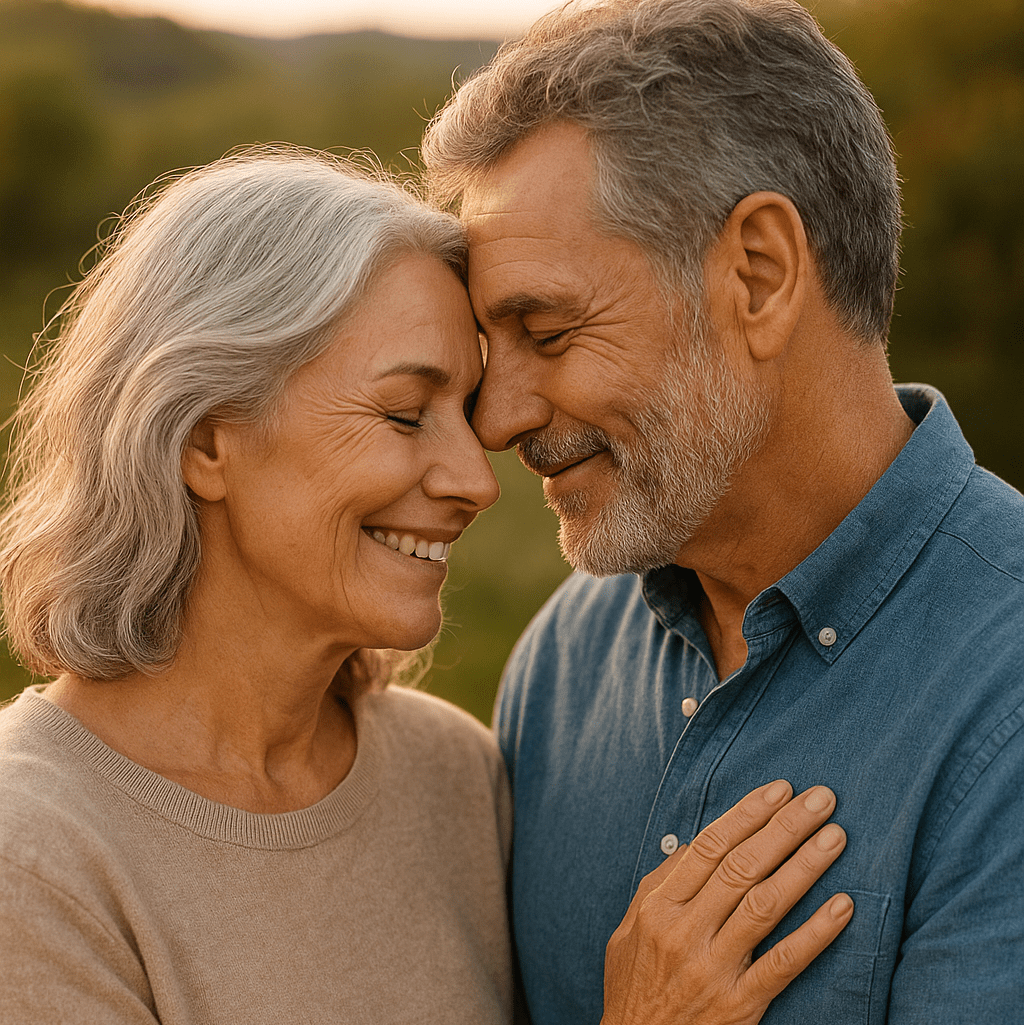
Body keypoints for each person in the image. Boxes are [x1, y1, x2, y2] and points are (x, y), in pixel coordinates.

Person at [0, 145, 851, 1024]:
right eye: (406, 414)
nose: (475, 480)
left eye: (466, 411)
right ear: (206, 441)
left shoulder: (452, 774)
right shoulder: (33, 855)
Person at [420, 0, 1024, 1023]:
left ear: (758, 273)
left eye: (548, 330)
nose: (495, 415)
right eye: (489, 348)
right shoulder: (560, 665)